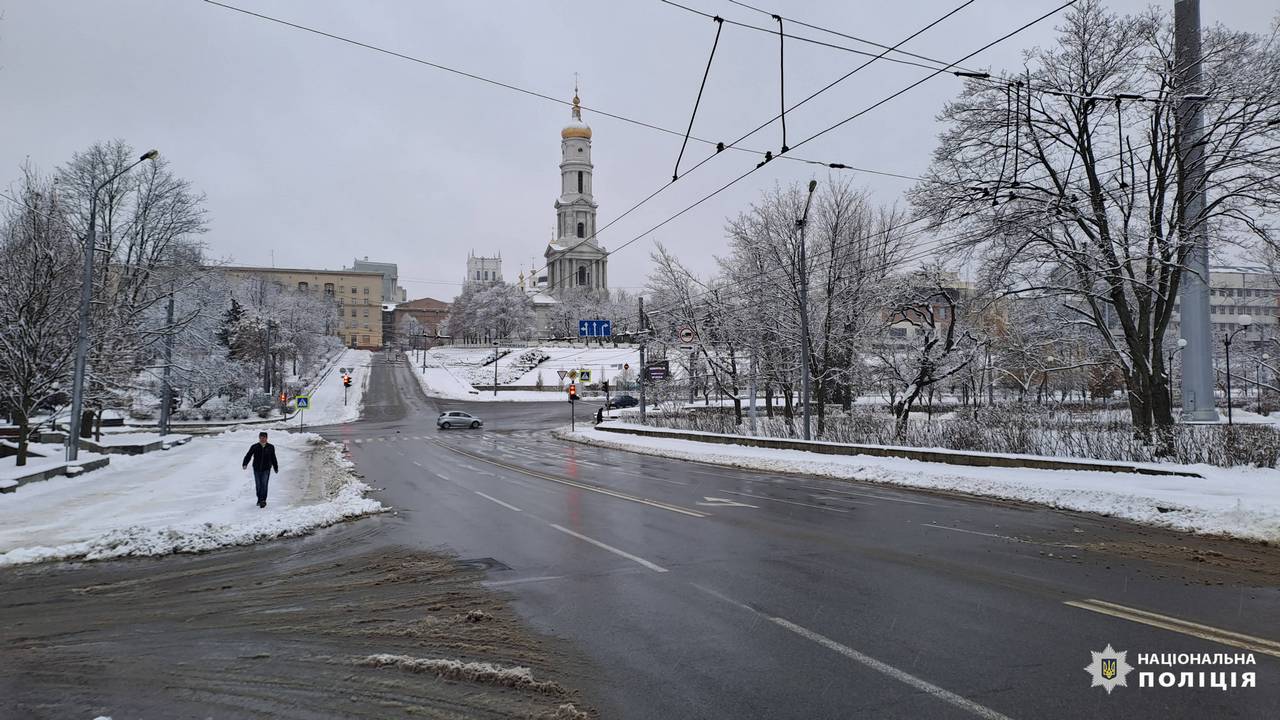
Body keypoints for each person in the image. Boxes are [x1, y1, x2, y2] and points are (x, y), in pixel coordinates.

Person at [242, 431, 279, 508]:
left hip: (266, 469)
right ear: (259, 438)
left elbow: (273, 458)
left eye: (264, 438)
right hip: (256, 468)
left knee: (264, 484)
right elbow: (248, 455)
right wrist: (245, 463)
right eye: (261, 438)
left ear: (267, 438)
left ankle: (263, 500)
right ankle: (259, 499)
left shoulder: (271, 447)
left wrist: (275, 467)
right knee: (258, 485)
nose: (262, 439)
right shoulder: (254, 446)